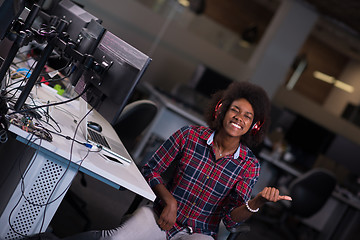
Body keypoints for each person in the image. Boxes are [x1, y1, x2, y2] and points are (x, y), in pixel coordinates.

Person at [64, 81, 291, 240]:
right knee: (114, 238)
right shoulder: (189, 135)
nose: (239, 118)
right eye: (235, 110)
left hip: (200, 233)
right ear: (221, 110)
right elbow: (151, 169)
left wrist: (257, 202)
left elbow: (231, 221)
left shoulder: (249, 165)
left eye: (247, 116)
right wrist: (169, 201)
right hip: (159, 217)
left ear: (254, 126)